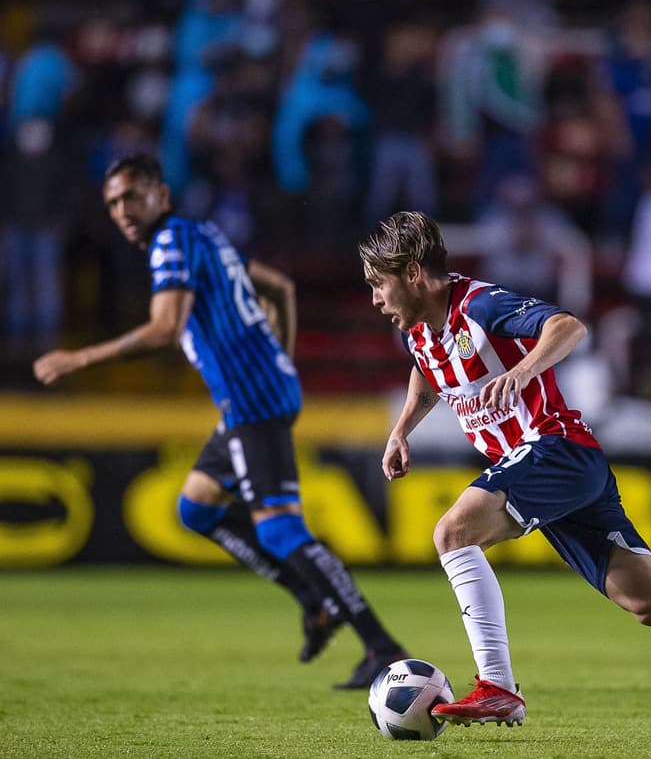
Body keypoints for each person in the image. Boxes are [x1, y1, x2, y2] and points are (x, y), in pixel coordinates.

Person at [358, 211, 651, 741]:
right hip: (551, 470)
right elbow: (428, 374)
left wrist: (523, 371)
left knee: (452, 533)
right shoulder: (420, 335)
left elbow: (568, 326)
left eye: (378, 284)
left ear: (410, 272)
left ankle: (497, 684)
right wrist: (402, 429)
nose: (376, 299)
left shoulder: (479, 304)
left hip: (554, 448)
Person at [33, 153, 407, 689]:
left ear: (161, 195)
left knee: (280, 531)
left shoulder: (170, 243)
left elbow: (166, 328)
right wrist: (281, 360)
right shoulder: (204, 236)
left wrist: (79, 358)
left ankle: (382, 647)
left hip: (253, 403)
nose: (122, 210)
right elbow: (280, 287)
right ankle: (313, 602)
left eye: (133, 196)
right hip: (253, 397)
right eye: (113, 202)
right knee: (196, 507)